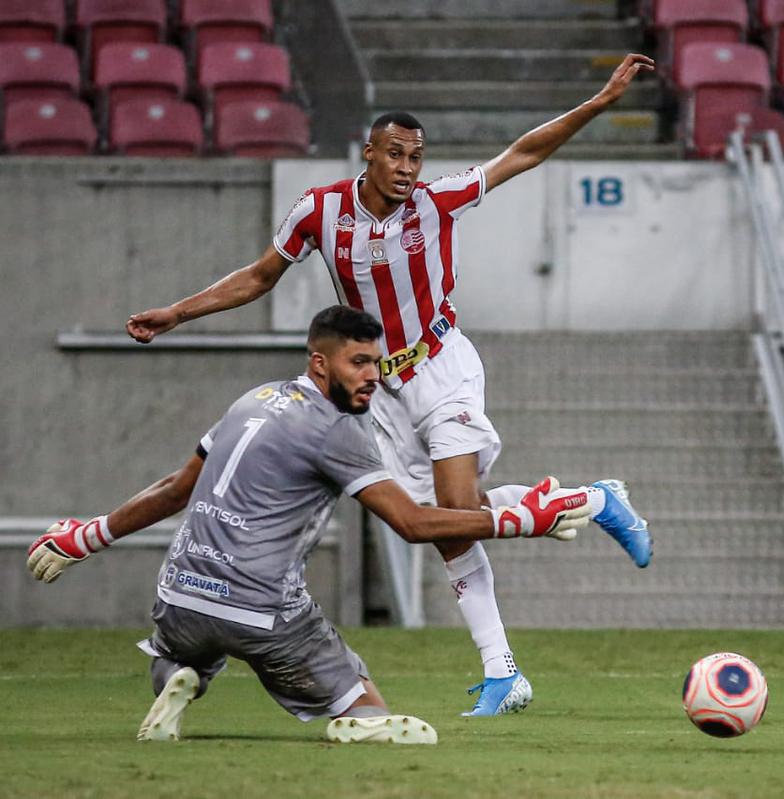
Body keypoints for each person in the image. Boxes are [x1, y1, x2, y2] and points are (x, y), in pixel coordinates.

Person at [123, 54, 656, 715]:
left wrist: (600, 102)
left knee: (455, 510)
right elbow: (261, 276)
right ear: (368, 154)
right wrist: (177, 312)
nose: (409, 168)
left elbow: (522, 153)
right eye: (397, 154)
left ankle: (502, 670)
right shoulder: (319, 212)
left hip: (442, 366)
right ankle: (591, 500)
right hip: (382, 392)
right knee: (448, 522)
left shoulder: (437, 203)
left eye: (417, 157)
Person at [26, 305, 599, 744]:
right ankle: (355, 719)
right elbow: (413, 523)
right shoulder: (339, 430)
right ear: (319, 363)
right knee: (369, 703)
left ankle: (182, 677)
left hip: (179, 597)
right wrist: (521, 519)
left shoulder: (252, 398)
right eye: (359, 363)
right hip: (262, 611)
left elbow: (175, 490)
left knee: (184, 652)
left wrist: (91, 535)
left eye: (377, 362)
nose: (372, 376)